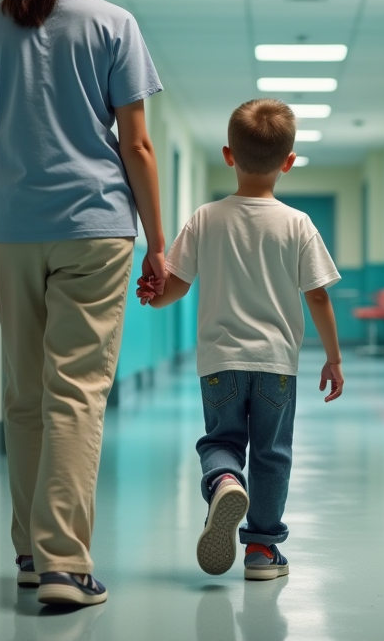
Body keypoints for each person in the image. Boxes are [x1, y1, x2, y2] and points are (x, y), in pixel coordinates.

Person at [0, 0, 166, 607]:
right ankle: (66, 565)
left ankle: (34, 557)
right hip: (95, 229)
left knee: (26, 395)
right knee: (76, 396)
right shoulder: (115, 27)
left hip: (9, 229)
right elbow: (136, 145)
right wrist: (160, 241)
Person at [138, 98, 346, 581]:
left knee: (222, 439)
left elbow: (177, 287)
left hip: (220, 361)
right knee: (272, 453)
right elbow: (317, 297)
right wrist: (333, 358)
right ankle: (261, 552)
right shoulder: (298, 224)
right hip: (276, 364)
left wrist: (153, 295)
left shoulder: (206, 218)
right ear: (288, 163)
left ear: (229, 154)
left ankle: (225, 480)